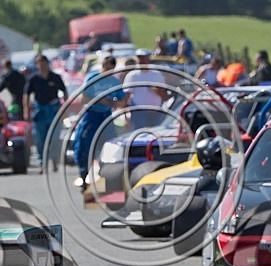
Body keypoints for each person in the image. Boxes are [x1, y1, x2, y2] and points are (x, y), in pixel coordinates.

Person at [73, 56, 127, 190]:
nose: (106, 69)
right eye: (104, 66)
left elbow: (122, 100)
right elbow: (83, 99)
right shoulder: (93, 78)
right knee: (84, 145)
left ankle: (107, 177)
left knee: (109, 147)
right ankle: (84, 174)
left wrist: (115, 103)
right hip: (92, 115)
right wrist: (101, 101)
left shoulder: (115, 82)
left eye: (109, 67)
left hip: (106, 117)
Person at [23, 54, 68, 169]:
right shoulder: (34, 79)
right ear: (37, 65)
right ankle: (42, 162)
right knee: (40, 138)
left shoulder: (55, 77)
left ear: (48, 64)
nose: (42, 66)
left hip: (53, 109)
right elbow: (26, 95)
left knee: (54, 137)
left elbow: (64, 92)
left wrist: (65, 108)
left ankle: (54, 159)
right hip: (40, 110)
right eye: (40, 64)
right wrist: (26, 110)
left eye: (44, 63)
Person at [123, 49, 167, 130]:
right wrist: (126, 118)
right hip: (138, 113)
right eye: (139, 58)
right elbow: (126, 97)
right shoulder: (132, 76)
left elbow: (165, 96)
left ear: (148, 59)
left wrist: (157, 90)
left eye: (143, 58)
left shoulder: (157, 75)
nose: (141, 60)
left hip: (156, 112)